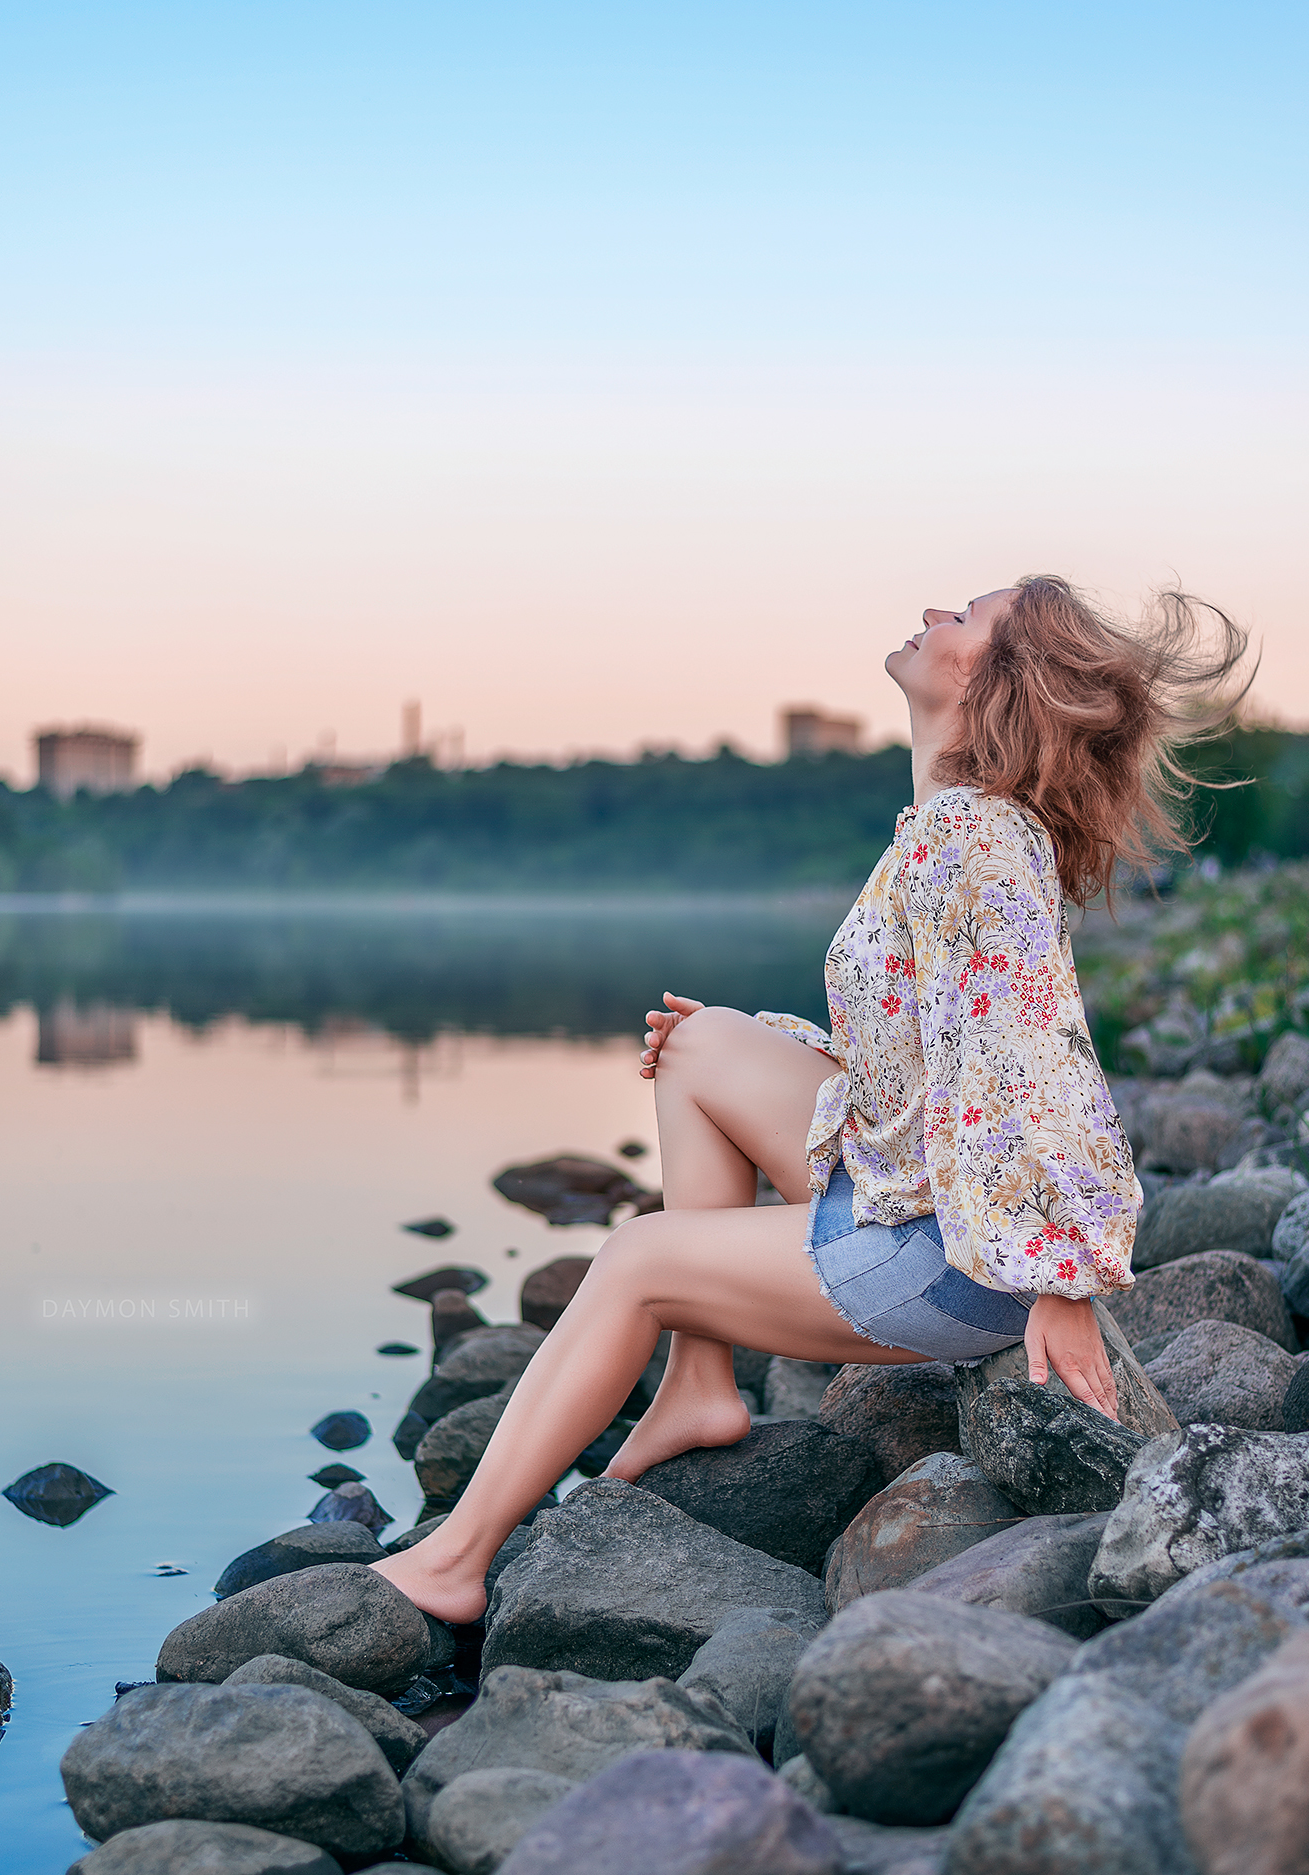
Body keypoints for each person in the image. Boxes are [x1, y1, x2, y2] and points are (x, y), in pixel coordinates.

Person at [374, 574, 1248, 1623]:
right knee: (697, 1047)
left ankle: (455, 1560)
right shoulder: (947, 828)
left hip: (958, 1261)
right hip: (933, 1195)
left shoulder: (966, 839)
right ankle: (698, 1383)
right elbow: (924, 1059)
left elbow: (1033, 1057)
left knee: (635, 1257)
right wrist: (762, 1050)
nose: (934, 612)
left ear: (1000, 681)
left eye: (965, 617)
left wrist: (1059, 1279)